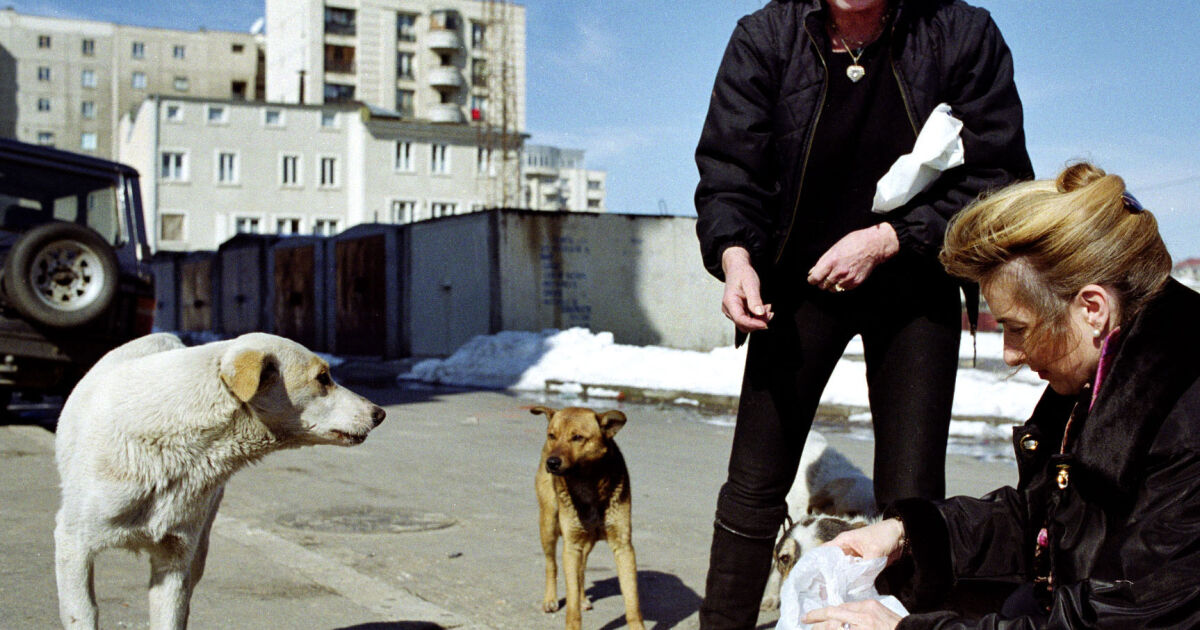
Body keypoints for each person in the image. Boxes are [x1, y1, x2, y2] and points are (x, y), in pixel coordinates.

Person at [693, 0, 1031, 626]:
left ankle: (904, 624)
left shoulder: (961, 33)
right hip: (797, 285)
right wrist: (735, 257)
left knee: (911, 498)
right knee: (754, 486)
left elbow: (999, 176)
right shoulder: (765, 37)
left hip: (917, 283)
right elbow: (730, 170)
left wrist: (889, 239)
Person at [803, 162, 1200, 629]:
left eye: (1018, 328)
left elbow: (1133, 617)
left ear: (1092, 308)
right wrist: (906, 533)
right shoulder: (1097, 368)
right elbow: (1043, 520)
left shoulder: (1185, 417)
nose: (1010, 354)